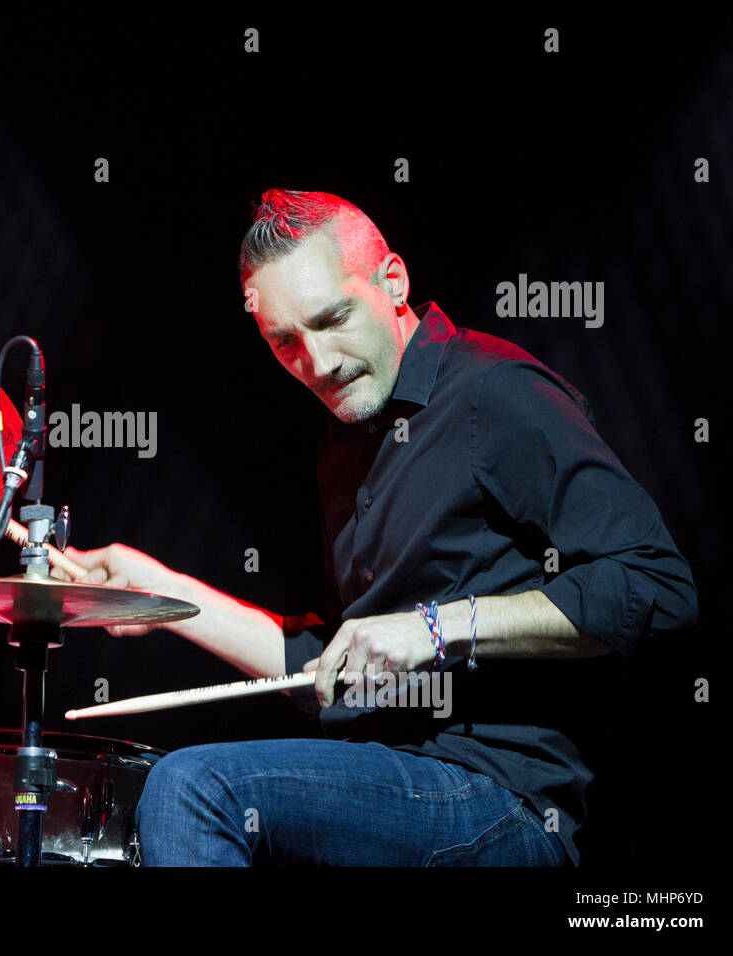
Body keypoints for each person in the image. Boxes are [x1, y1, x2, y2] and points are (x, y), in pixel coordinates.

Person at [62, 189, 698, 866]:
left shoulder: (493, 393)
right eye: (284, 342)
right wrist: (164, 595)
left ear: (392, 281)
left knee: (193, 788)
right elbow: (337, 670)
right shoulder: (347, 438)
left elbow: (658, 587)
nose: (319, 362)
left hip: (499, 800)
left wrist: (436, 627)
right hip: (389, 777)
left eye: (333, 319)